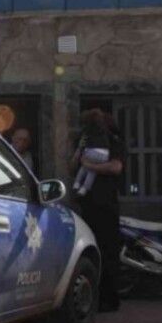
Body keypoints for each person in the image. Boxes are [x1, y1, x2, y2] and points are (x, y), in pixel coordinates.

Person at [69, 108, 126, 312]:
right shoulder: (83, 139)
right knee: (90, 251)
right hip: (87, 204)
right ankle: (93, 297)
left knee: (108, 250)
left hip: (107, 203)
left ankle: (110, 299)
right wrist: (79, 152)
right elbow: (72, 166)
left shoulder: (114, 141)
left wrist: (89, 165)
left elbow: (116, 167)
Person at [72, 109, 110, 196]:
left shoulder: (86, 131)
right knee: (91, 170)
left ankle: (77, 183)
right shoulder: (105, 131)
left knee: (86, 166)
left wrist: (80, 150)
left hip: (91, 151)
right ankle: (84, 188)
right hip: (104, 154)